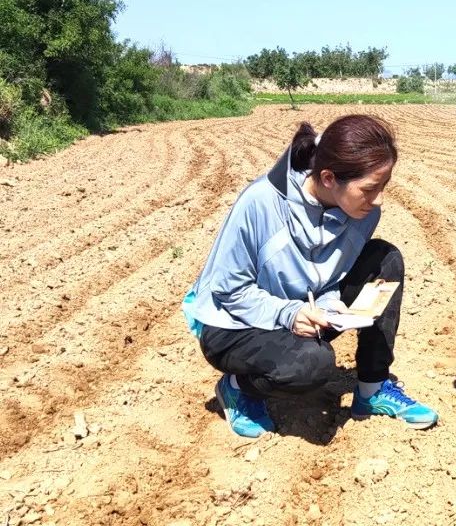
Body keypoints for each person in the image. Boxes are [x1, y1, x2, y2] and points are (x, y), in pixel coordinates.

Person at [182, 115, 438, 438]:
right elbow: (228, 289)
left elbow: (330, 273)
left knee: (385, 261)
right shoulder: (260, 203)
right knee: (314, 365)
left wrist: (333, 304)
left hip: (302, 311)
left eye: (384, 186)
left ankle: (372, 389)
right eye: (370, 189)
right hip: (233, 324)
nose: (380, 199)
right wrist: (288, 314)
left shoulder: (364, 214)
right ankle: (238, 387)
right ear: (329, 178)